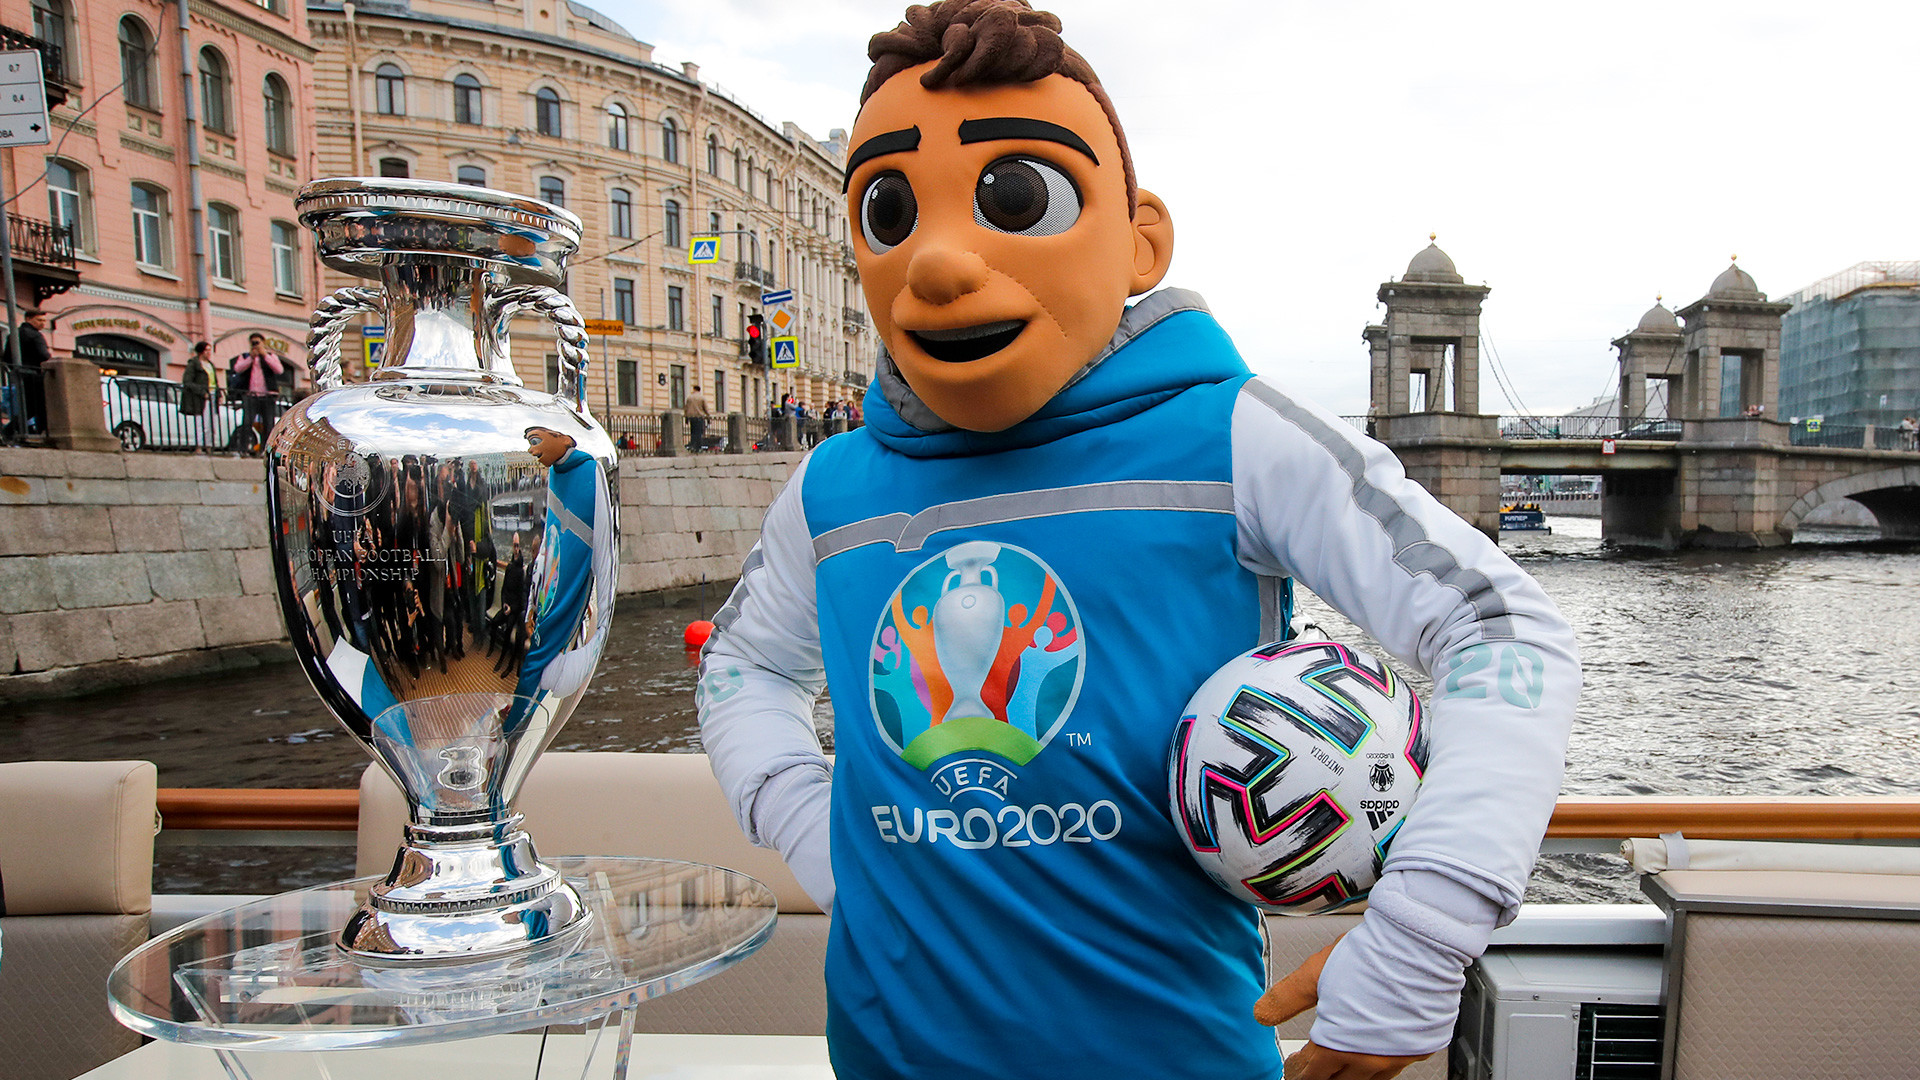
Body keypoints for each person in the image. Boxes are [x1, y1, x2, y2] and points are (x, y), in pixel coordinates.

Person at [697, 5, 1580, 1080]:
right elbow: (743, 664)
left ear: (1141, 241)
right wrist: (815, 831)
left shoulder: (1232, 438)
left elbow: (1502, 625)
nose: (933, 261)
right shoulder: (831, 489)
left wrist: (1425, 934)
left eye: (1015, 196)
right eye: (889, 209)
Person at [232, 333, 283, 455]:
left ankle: (266, 450)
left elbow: (279, 370)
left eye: (257, 342)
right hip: (250, 395)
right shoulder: (245, 356)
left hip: (267, 396)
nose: (255, 345)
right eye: (253, 343)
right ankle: (243, 449)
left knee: (268, 424)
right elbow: (238, 369)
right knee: (247, 422)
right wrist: (251, 357)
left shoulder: (270, 356)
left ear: (263, 343)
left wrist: (264, 354)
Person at [15, 308, 51, 440]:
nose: (42, 324)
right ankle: (42, 433)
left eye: (44, 321)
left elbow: (7, 356)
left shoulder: (14, 334)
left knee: (28, 407)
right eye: (39, 320)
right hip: (35, 375)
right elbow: (44, 355)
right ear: (28, 319)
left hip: (20, 375)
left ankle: (11, 431)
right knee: (39, 406)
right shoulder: (35, 335)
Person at [180, 341, 217, 450]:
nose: (209, 353)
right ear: (201, 351)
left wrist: (218, 394)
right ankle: (199, 446)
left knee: (211, 423)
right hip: (200, 397)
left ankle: (209, 445)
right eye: (206, 350)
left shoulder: (210, 365)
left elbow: (214, 380)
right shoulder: (194, 364)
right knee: (201, 423)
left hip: (212, 394)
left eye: (209, 350)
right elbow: (187, 381)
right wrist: (201, 392)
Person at [685, 383, 710, 452]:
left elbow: (686, 408)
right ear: (699, 390)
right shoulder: (702, 398)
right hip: (699, 417)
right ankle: (698, 447)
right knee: (699, 432)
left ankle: (692, 445)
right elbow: (706, 409)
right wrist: (708, 417)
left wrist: (686, 418)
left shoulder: (689, 398)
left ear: (694, 389)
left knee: (693, 432)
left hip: (691, 417)